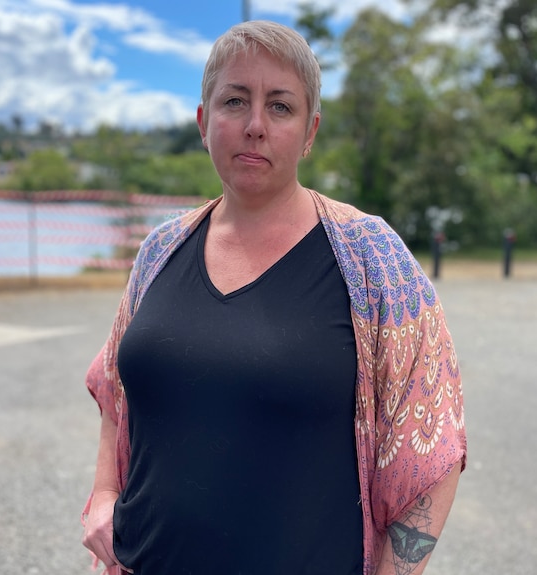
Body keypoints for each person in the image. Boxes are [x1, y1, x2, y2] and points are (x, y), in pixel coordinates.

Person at [81, 20, 466, 575]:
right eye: (235, 101)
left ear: (310, 132)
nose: (255, 125)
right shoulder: (162, 249)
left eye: (280, 107)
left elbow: (432, 436)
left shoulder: (372, 258)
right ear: (202, 121)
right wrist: (102, 495)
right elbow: (115, 390)